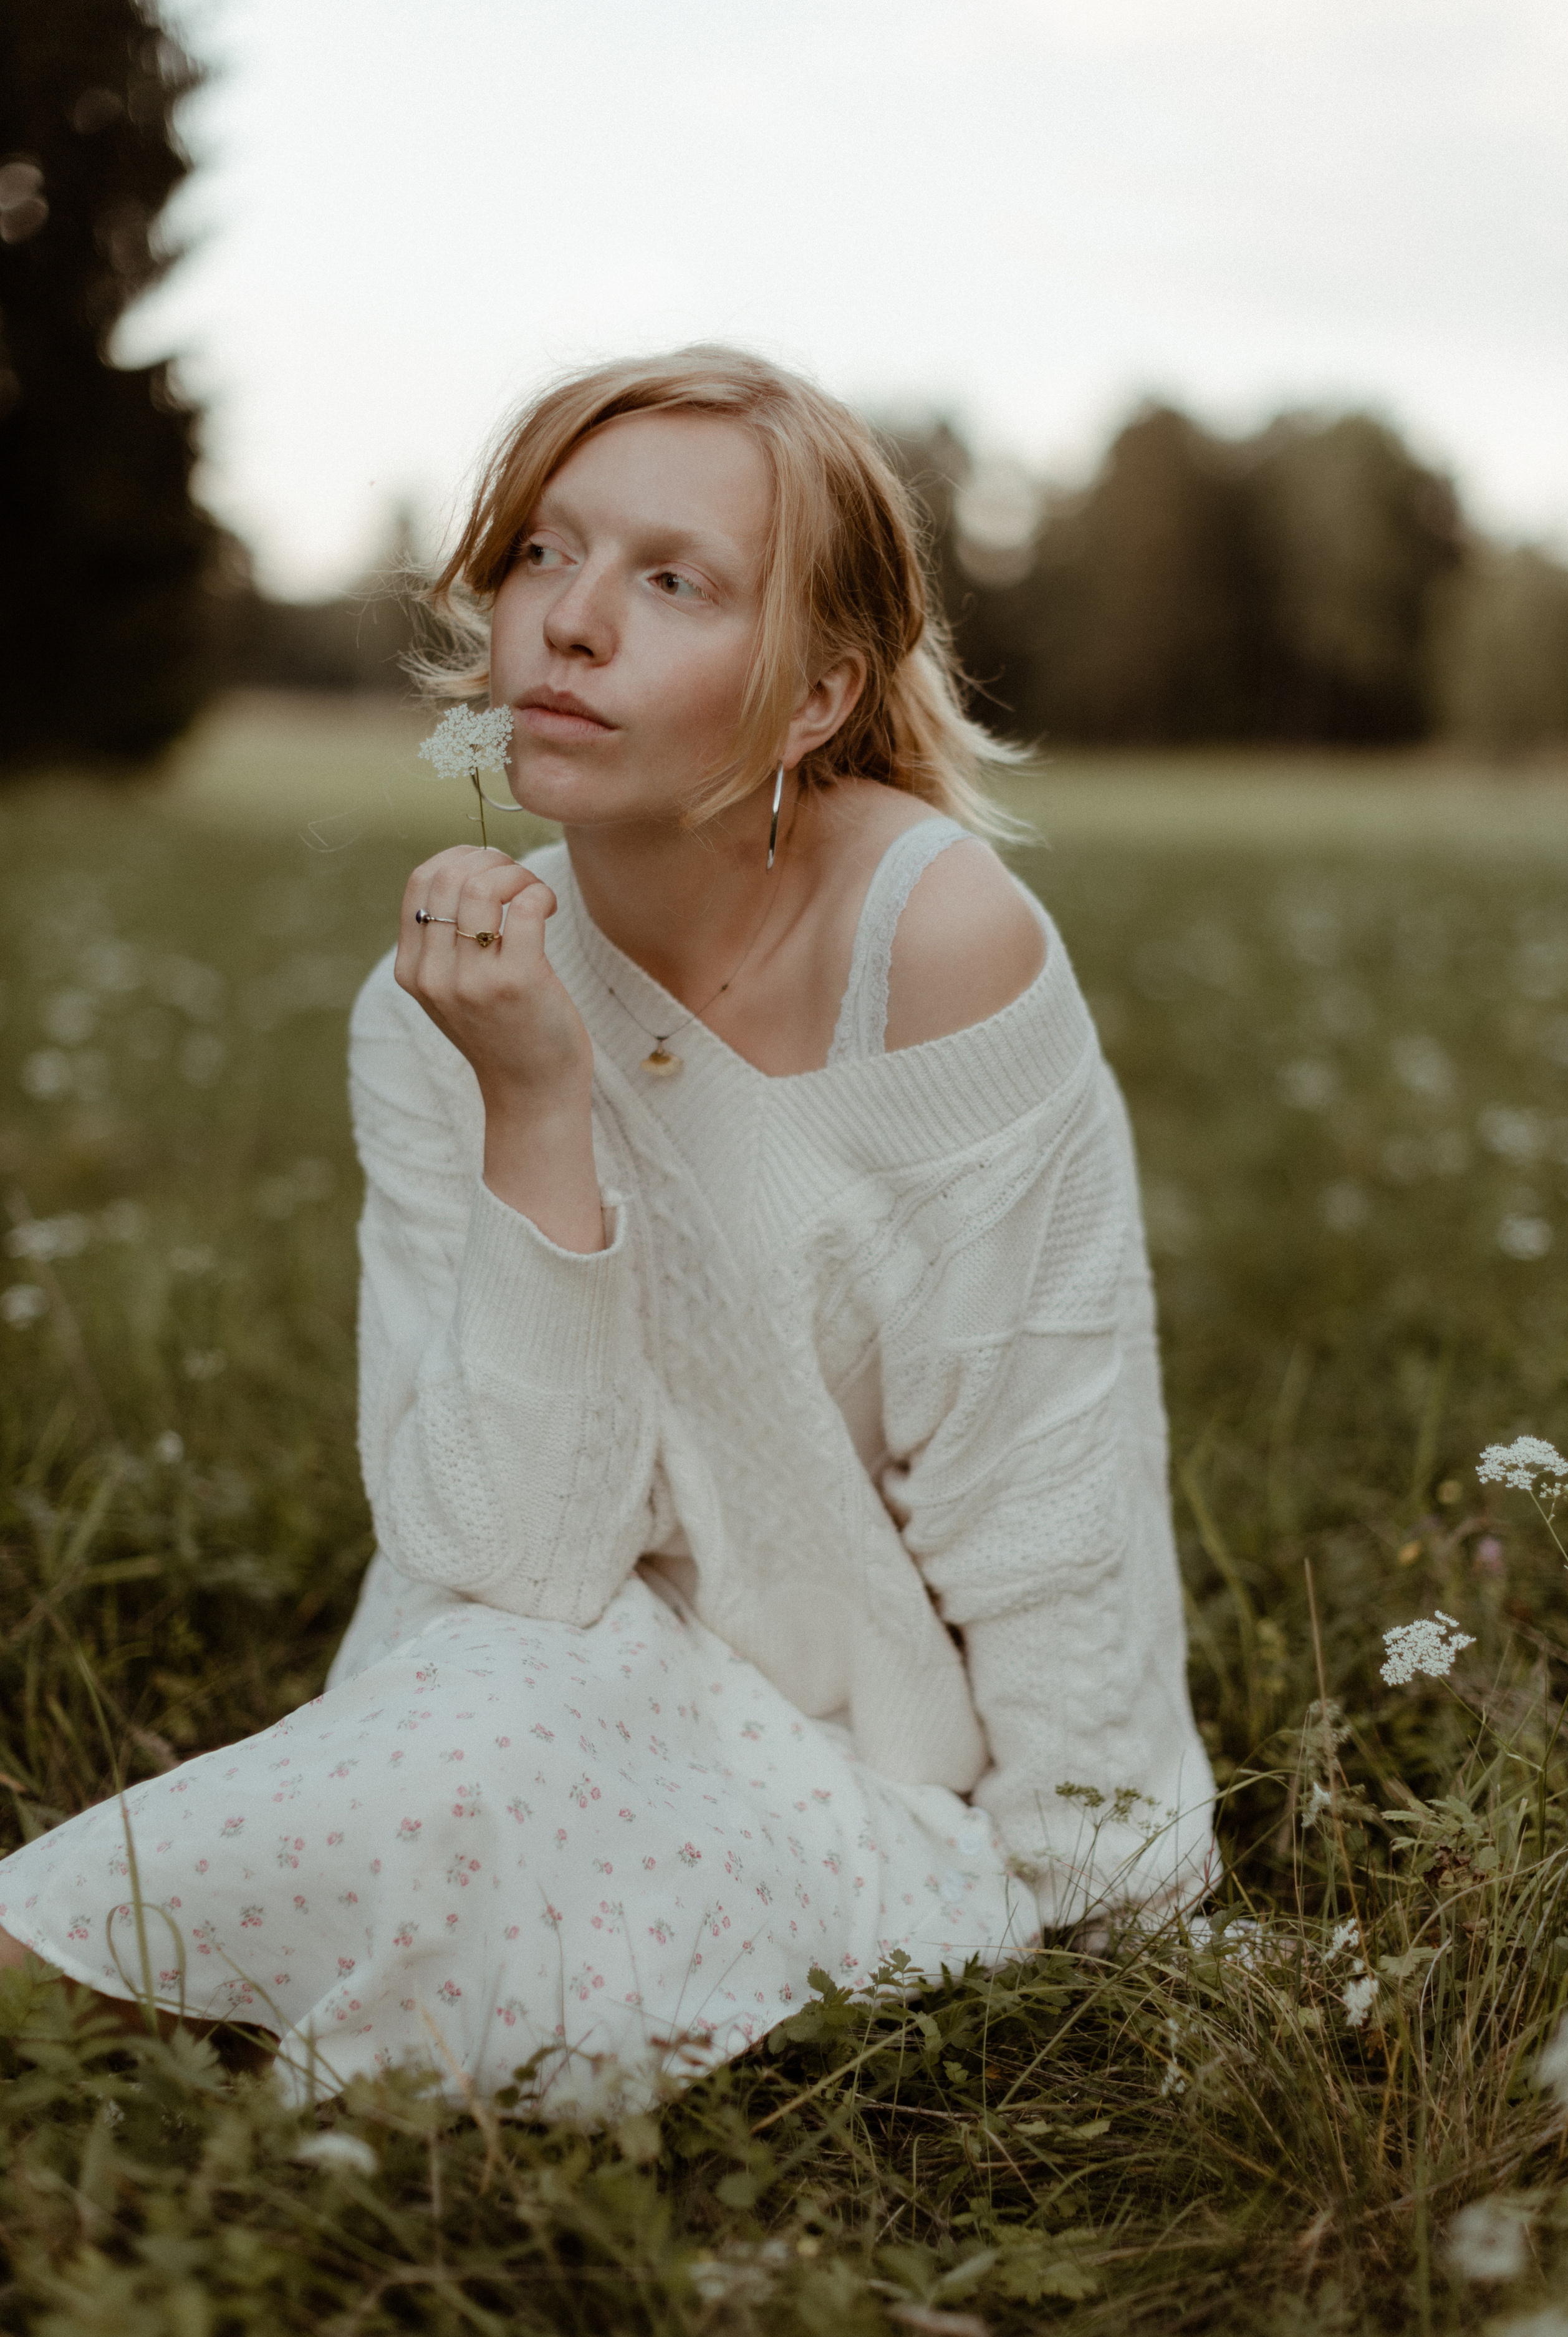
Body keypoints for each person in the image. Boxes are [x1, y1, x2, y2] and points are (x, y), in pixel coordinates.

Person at [0, 347, 1213, 2112]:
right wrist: (534, 1102)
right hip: (525, 1661)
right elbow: (512, 1558)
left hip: (857, 1759)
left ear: (812, 697)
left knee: (479, 1794)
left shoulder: (942, 952)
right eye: (543, 555)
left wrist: (1116, 1916)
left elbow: (1051, 1488)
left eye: (672, 582)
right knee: (484, 1730)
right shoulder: (435, 1005)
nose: (569, 624)